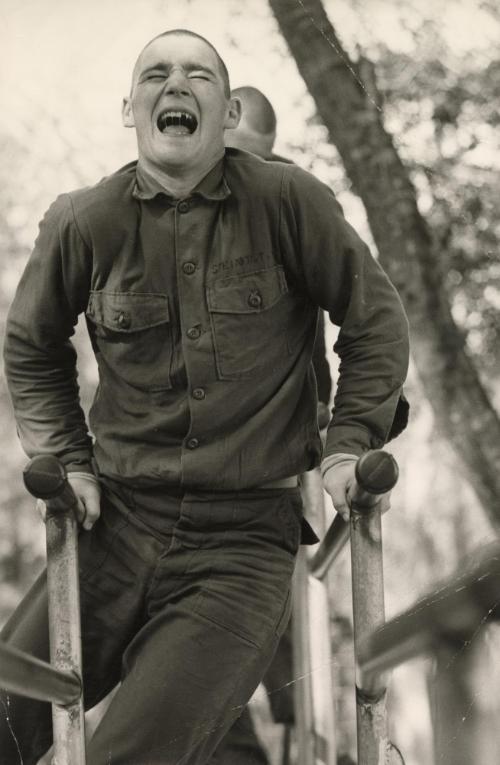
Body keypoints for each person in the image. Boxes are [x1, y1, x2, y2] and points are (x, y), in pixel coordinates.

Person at [0, 28, 409, 765]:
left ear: (225, 114)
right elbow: (31, 345)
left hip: (243, 542)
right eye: (156, 74)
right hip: (114, 525)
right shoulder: (83, 221)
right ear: (131, 109)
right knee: (4, 710)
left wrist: (349, 443)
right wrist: (68, 457)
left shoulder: (290, 203)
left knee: (131, 754)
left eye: (199, 75)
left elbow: (375, 321)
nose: (176, 84)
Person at [214, 86, 331, 765]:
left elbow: (315, 334)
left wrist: (328, 417)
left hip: (269, 464)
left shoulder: (287, 207)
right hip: (179, 465)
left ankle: (288, 740)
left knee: (270, 621)